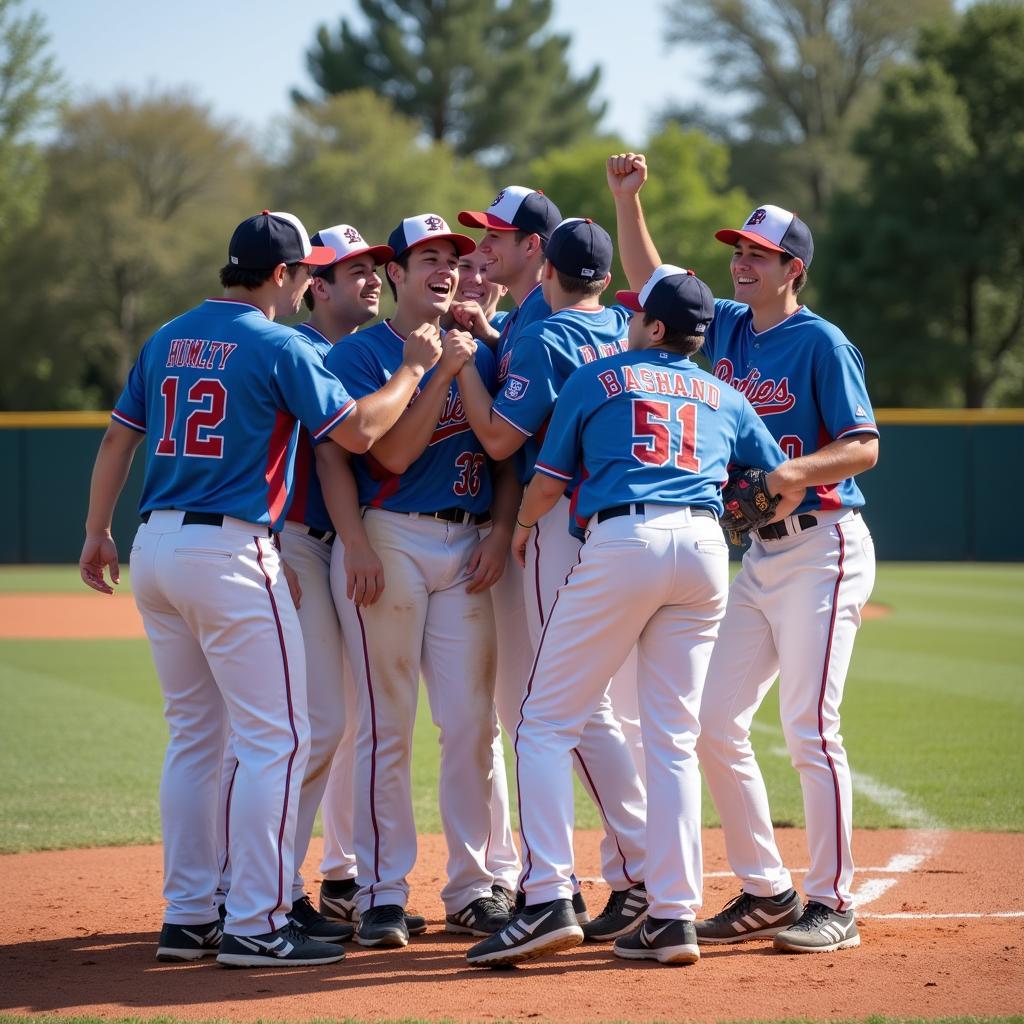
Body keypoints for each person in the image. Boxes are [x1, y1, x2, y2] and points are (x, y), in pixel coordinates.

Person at [79, 210, 441, 968]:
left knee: (194, 740)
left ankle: (190, 917)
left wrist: (94, 531)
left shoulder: (169, 335)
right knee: (277, 738)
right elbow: (358, 434)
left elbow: (119, 436)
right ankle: (256, 920)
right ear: (284, 276)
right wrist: (412, 369)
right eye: (305, 272)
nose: (306, 281)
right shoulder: (277, 342)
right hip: (233, 549)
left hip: (155, 543)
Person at [466, 265, 796, 968]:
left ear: (649, 325)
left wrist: (521, 529)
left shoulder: (601, 377)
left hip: (624, 539)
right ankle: (672, 915)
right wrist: (742, 517)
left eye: (636, 314)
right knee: (673, 738)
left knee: (545, 723)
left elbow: (549, 485)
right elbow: (779, 486)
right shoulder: (724, 393)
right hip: (706, 550)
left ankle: (548, 896)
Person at [608, 152, 879, 954]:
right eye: (738, 251)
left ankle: (834, 901)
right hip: (758, 558)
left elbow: (863, 445)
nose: (740, 261)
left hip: (825, 546)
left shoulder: (820, 343)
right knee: (712, 720)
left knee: (809, 728)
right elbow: (653, 276)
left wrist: (796, 469)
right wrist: (629, 201)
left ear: (793, 269)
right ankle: (766, 887)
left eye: (757, 255)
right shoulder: (723, 324)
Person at [322, 213, 518, 948]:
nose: (445, 268)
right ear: (396, 274)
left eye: (453, 258)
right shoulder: (361, 354)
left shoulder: (484, 348)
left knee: (472, 724)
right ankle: (380, 893)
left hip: (468, 538)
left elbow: (506, 458)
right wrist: (438, 368)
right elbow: (393, 457)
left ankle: (473, 885)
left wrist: (499, 531)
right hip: (391, 533)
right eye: (428, 257)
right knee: (385, 723)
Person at [457, 216, 649, 942]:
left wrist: (463, 366)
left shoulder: (542, 335)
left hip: (561, 521)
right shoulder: (625, 323)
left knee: (556, 711)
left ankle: (591, 880)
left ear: (544, 271)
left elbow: (503, 436)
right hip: (617, 522)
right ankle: (638, 873)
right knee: (589, 707)